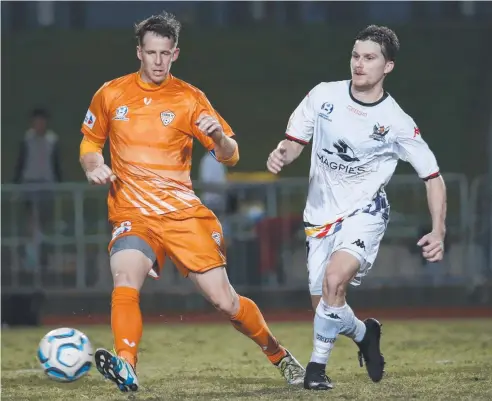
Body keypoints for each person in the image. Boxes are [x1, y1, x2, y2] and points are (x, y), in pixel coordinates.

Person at [78, 12, 305, 393]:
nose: (157, 61)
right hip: (132, 213)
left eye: (165, 53)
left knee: (225, 301)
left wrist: (220, 140)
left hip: (183, 216)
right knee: (125, 277)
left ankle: (278, 354)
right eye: (150, 52)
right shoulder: (110, 93)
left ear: (175, 53)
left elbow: (231, 156)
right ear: (138, 52)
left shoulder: (189, 98)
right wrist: (93, 165)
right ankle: (126, 364)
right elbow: (89, 142)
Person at [266, 25, 446, 390]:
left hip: (366, 213)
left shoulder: (396, 122)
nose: (359, 65)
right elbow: (295, 141)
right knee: (325, 306)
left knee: (334, 280)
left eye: (369, 58)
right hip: (319, 215)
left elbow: (434, 176)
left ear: (388, 66)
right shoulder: (323, 96)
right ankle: (365, 333)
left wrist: (438, 229)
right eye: (355, 56)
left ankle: (316, 369)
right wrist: (283, 153)